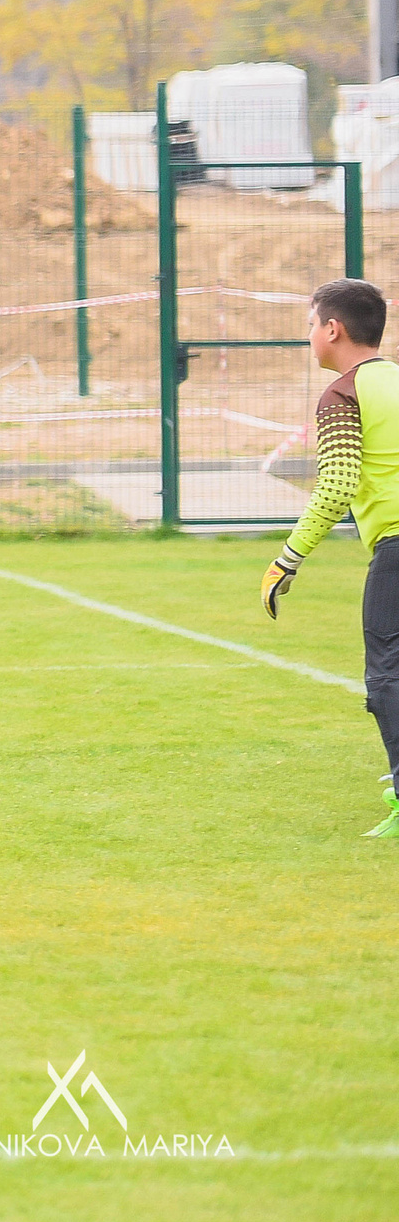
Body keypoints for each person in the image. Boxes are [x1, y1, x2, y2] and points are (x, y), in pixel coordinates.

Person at [261, 278, 399, 838]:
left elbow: (336, 484)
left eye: (311, 325)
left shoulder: (343, 394)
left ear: (333, 329)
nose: (310, 337)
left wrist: (287, 559)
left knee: (387, 675)